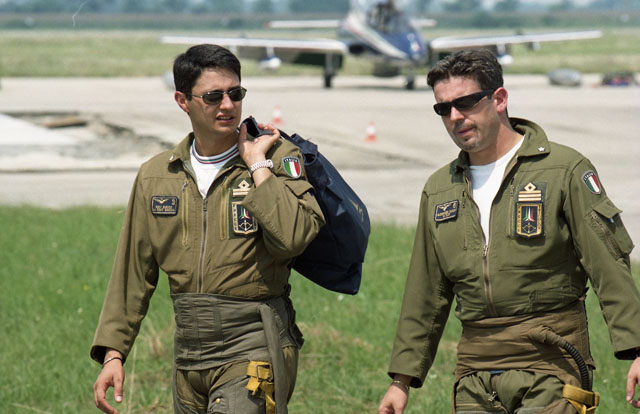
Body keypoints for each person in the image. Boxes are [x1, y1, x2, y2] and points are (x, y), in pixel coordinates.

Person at [378, 49, 640, 414]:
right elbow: (425, 292)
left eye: (465, 103)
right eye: (443, 108)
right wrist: (401, 381)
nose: (455, 117)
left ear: (499, 99)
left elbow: (608, 266)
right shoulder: (439, 189)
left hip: (552, 363)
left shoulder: (563, 170)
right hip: (474, 373)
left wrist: (638, 349)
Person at [91, 44, 325, 414]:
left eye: (236, 93)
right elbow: (132, 272)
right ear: (182, 101)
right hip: (188, 356)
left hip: (254, 344)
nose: (228, 105)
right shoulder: (157, 176)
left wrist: (257, 165)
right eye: (214, 97)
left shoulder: (278, 158)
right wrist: (113, 354)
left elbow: (293, 238)